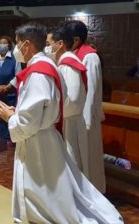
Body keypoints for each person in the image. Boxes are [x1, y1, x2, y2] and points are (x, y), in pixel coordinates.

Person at [0, 22, 122, 224]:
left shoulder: (38, 73)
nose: (15, 49)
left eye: (17, 44)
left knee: (46, 192)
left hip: (39, 141)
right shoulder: (48, 65)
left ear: (27, 45)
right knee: (51, 190)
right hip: (45, 136)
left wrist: (10, 116)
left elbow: (30, 120)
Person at [65, 20, 106, 193]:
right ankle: (79, 193)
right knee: (77, 159)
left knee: (89, 159)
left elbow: (92, 89)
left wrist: (87, 120)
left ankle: (93, 194)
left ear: (75, 39)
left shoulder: (90, 56)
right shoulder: (73, 55)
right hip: (76, 117)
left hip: (85, 117)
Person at [46, 24, 89, 176]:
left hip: (70, 123)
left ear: (60, 44)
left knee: (73, 165)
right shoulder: (66, 63)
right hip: (69, 122)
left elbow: (74, 99)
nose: (47, 49)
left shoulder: (68, 65)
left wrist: (51, 110)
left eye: (48, 44)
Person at [0, 35, 21, 147]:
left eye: (4, 43)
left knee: (9, 117)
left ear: (9, 46)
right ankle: (2, 141)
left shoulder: (14, 58)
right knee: (0, 118)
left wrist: (7, 87)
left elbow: (18, 75)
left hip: (10, 94)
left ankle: (11, 141)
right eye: (0, 43)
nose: (2, 45)